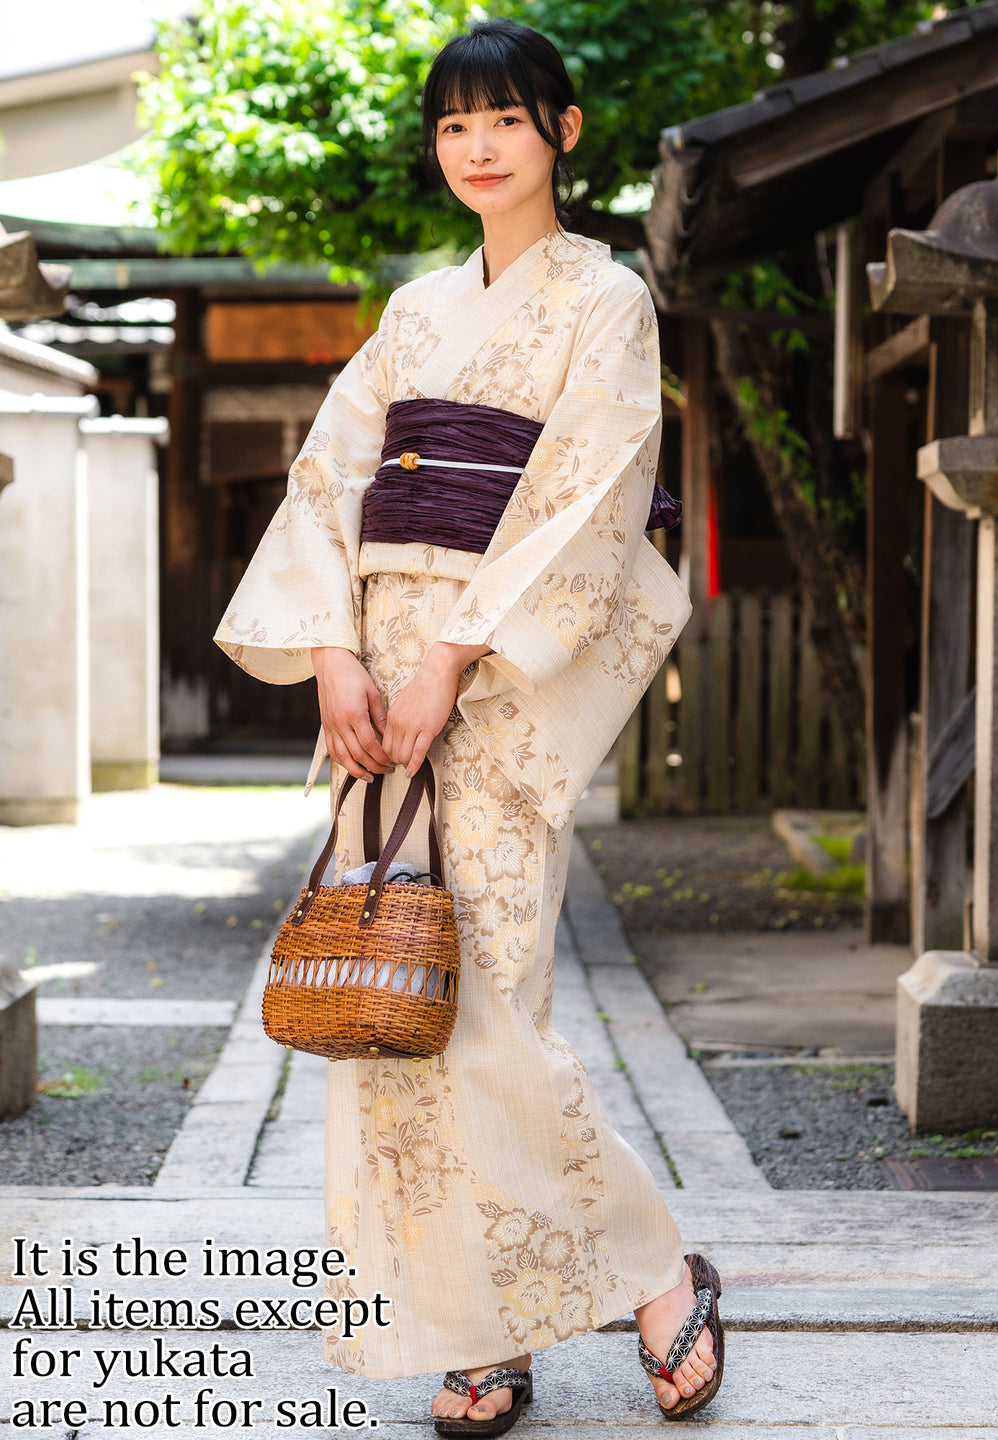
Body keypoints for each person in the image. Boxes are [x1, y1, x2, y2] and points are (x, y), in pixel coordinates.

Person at [214, 16, 722, 1436]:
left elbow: (592, 495)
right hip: (377, 673)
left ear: (563, 131)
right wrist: (334, 652)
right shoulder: (416, 316)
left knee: (481, 1000)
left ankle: (657, 1270)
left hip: (493, 677)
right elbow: (332, 477)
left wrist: (454, 656)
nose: (478, 147)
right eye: (453, 127)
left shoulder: (606, 302)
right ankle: (477, 1334)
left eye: (504, 119)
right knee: (394, 1004)